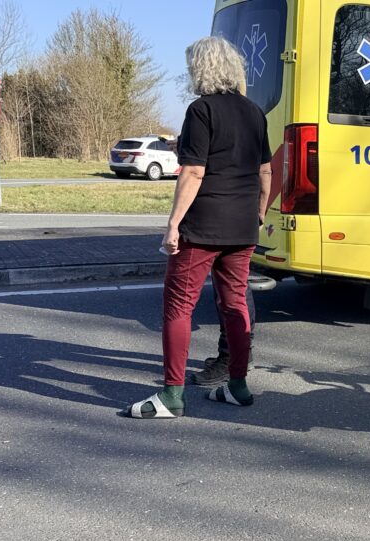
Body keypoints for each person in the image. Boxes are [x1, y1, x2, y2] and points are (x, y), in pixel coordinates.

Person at [123, 36, 272, 418]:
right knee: (235, 304)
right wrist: (258, 211)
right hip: (242, 226)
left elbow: (193, 171)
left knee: (178, 306)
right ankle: (237, 386)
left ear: (201, 69)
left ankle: (171, 396)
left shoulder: (201, 110)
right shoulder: (255, 113)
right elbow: (266, 171)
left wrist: (173, 223)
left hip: (204, 225)